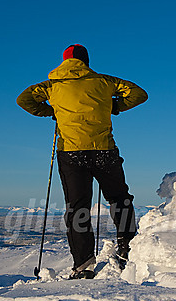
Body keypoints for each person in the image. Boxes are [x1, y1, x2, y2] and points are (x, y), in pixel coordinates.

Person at [17, 44, 148, 279]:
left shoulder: (52, 86)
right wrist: (113, 106)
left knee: (78, 208)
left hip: (71, 153)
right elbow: (139, 94)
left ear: (64, 61)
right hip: (104, 151)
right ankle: (127, 248)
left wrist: (53, 111)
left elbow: (24, 100)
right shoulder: (105, 82)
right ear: (86, 61)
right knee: (120, 199)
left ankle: (83, 265)